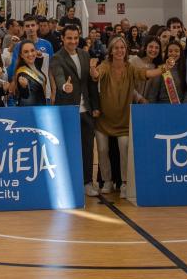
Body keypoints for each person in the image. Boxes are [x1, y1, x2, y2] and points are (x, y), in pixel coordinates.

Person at [50, 23, 99, 194]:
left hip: (86, 110)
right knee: (68, 148)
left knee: (87, 148)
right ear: (62, 39)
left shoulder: (85, 55)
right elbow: (59, 76)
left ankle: (87, 182)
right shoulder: (56, 58)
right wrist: (64, 87)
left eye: (75, 38)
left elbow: (90, 84)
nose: (72, 41)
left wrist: (95, 106)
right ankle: (67, 182)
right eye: (69, 38)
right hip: (67, 109)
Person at [92, 35, 137, 198]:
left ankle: (125, 183)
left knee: (124, 149)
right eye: (116, 48)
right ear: (110, 50)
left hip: (123, 121)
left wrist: (164, 69)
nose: (119, 50)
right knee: (102, 150)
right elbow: (97, 75)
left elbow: (145, 73)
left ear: (126, 50)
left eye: (122, 48)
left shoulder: (130, 67)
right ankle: (107, 181)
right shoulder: (104, 65)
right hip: (103, 119)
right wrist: (93, 70)